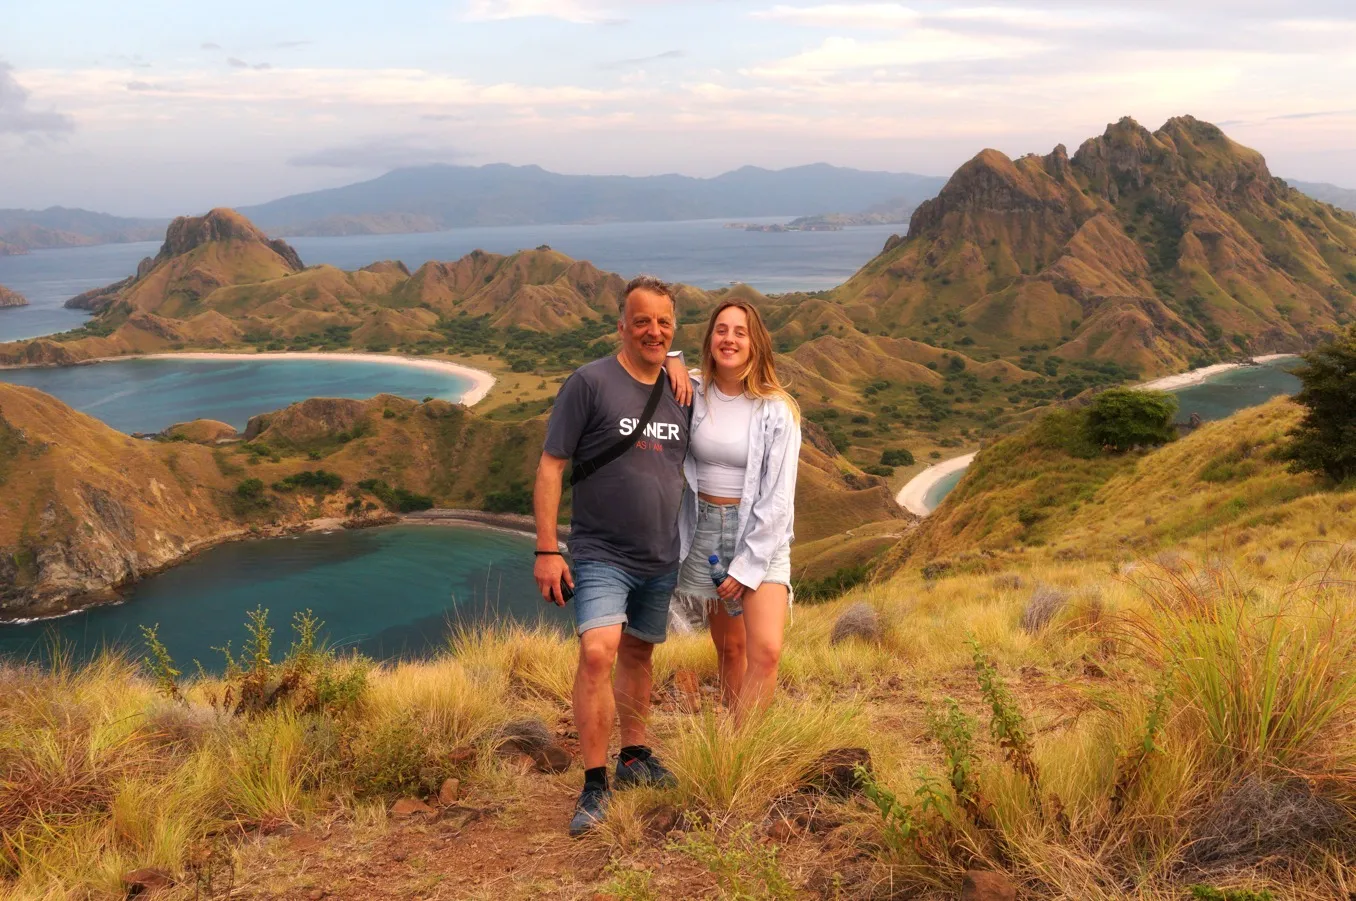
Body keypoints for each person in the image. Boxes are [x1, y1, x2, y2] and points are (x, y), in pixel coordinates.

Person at [533, 275, 692, 837]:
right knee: (599, 653)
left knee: (639, 657)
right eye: (642, 321)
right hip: (601, 551)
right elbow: (553, 464)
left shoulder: (682, 390)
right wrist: (548, 549)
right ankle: (595, 782)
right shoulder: (590, 383)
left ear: (674, 330)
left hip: (660, 554)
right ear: (621, 326)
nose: (653, 330)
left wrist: (676, 359)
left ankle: (635, 756)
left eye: (664, 323)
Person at [665, 299, 801, 719]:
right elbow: (637, 370)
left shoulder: (777, 410)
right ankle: (732, 741)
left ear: (755, 343)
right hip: (705, 530)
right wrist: (670, 359)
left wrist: (745, 566)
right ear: (709, 340)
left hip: (760, 535)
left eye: (740, 332)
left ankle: (747, 751)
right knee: (730, 648)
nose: (729, 338)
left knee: (767, 651)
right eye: (721, 330)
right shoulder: (690, 392)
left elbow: (778, 499)